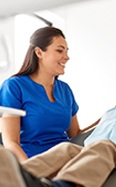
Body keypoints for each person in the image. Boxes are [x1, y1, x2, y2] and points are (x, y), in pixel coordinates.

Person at [0, 26, 91, 163]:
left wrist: (110, 117)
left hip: (67, 159)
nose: (66, 57)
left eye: (66, 51)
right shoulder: (14, 86)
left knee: (106, 151)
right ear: (39, 53)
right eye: (60, 50)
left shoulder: (65, 90)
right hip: (34, 163)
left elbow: (76, 134)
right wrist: (32, 174)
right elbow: (11, 143)